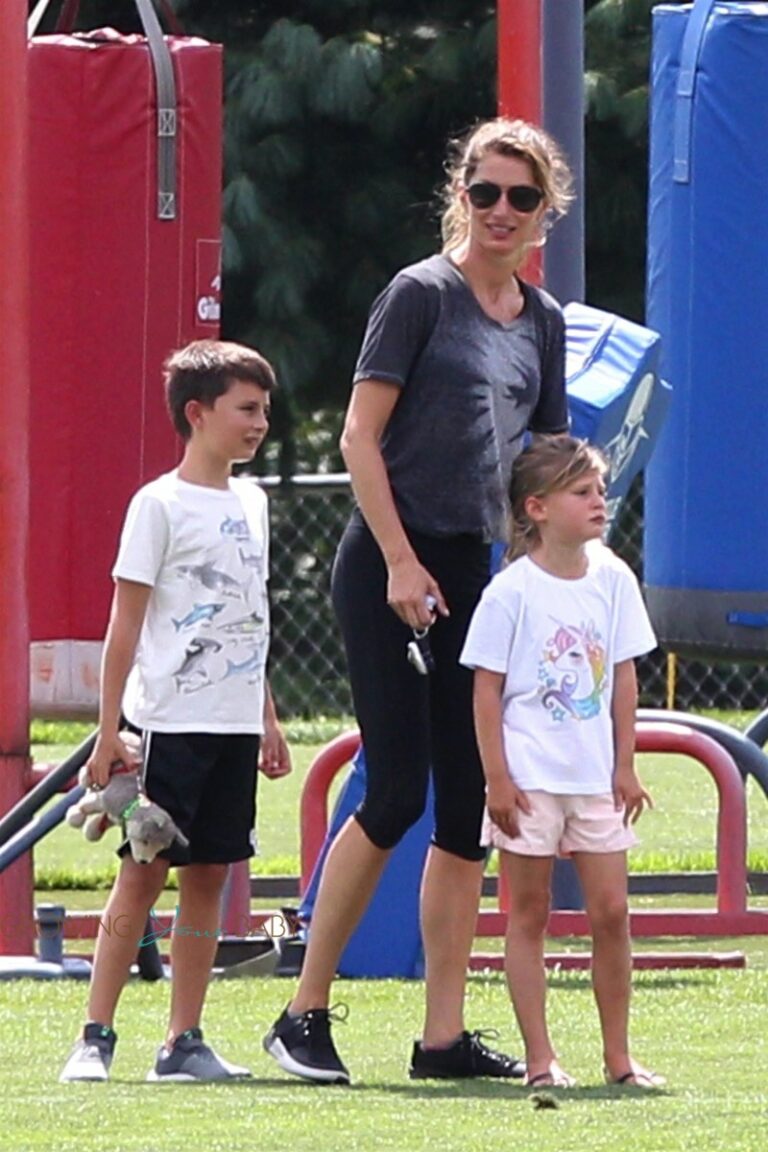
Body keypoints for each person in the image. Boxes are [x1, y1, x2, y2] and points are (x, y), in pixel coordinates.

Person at [264, 117, 574, 1085]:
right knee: (396, 788)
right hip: (389, 560)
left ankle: (442, 1037)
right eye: (485, 192)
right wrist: (400, 562)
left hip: (473, 569)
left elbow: (543, 465)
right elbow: (359, 439)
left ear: (544, 212)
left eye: (521, 197)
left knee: (471, 801)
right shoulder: (419, 296)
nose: (500, 212)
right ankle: (300, 1013)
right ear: (462, 195)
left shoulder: (543, 320)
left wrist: (551, 580)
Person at [60, 339, 291, 1084]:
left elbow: (247, 618)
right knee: (143, 872)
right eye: (246, 409)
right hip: (167, 724)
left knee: (210, 878)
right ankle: (94, 1036)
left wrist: (267, 715)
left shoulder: (253, 503)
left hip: (232, 724)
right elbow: (124, 624)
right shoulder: (156, 505)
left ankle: (182, 1040)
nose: (260, 423)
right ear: (198, 414)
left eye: (264, 410)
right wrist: (107, 734)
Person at [460, 435, 664, 1089]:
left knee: (611, 913)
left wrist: (624, 765)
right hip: (528, 781)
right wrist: (498, 778)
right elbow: (486, 689)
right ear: (538, 508)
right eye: (583, 492)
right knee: (530, 912)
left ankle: (620, 1058)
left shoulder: (613, 579)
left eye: (600, 489)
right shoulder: (510, 592)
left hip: (595, 779)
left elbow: (625, 678)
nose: (599, 501)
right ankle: (541, 1060)